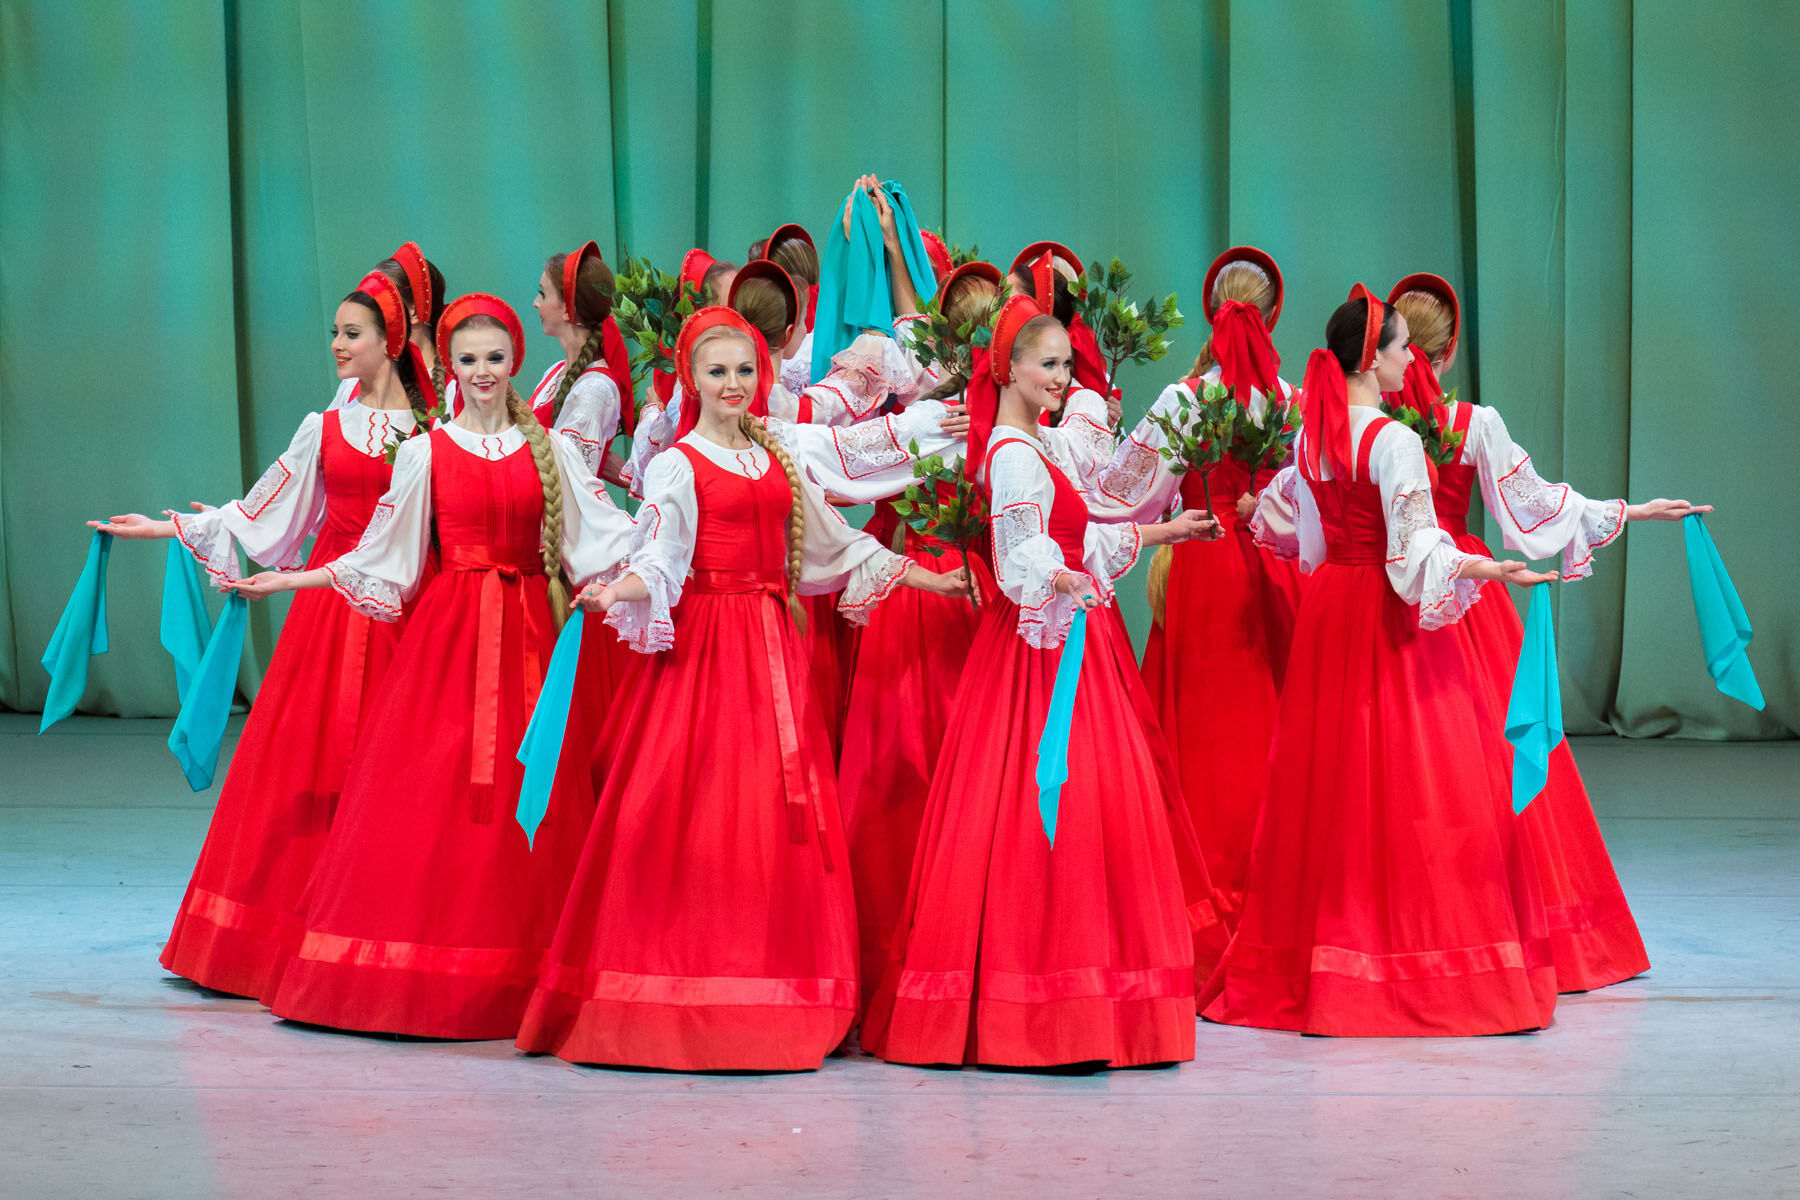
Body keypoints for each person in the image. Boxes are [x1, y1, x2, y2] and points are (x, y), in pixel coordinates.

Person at [515, 307, 966, 1071]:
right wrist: (616, 591)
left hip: (771, 652)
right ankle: (684, 990)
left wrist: (930, 579)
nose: (733, 383)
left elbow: (835, 546)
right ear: (691, 379)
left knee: (775, 814)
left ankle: (780, 991)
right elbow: (661, 557)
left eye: (745, 370)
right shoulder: (678, 465)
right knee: (697, 811)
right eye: (718, 371)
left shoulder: (777, 455)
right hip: (706, 655)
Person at [227, 294, 635, 1038]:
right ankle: (425, 971)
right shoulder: (425, 452)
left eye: (496, 358)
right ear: (449, 365)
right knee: (432, 790)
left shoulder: (551, 451)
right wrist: (290, 581)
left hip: (530, 639)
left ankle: (525, 973)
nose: (483, 372)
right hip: (448, 639)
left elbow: (609, 536)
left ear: (514, 362)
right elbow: (382, 556)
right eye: (469, 359)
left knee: (531, 788)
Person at [862, 294, 1225, 1069]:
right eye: (1048, 364)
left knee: (1083, 801)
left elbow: (1080, 533)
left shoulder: (1044, 444)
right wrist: (1061, 581)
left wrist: (1165, 529)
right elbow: (1019, 553)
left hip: (1068, 635)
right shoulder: (1013, 453)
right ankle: (1036, 997)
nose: (1061, 377)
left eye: (1066, 363)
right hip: (1036, 648)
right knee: (1041, 801)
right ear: (1009, 369)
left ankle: (1082, 992)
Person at [1203, 285, 1562, 1037]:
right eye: (1401, 350)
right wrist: (1489, 569)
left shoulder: (1313, 438)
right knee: (1412, 776)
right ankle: (1414, 956)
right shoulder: (1394, 441)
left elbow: (1303, 542)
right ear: (1373, 359)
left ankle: (1323, 953)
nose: (1410, 363)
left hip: (1331, 610)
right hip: (1384, 614)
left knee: (1332, 778)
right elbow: (1415, 552)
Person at [89, 270, 435, 1002]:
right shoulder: (325, 427)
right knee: (310, 759)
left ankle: (378, 931)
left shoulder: (433, 432)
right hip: (327, 614)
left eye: (351, 334)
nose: (337, 345)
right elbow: (263, 509)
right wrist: (166, 528)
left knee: (398, 766)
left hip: (405, 607)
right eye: (335, 333)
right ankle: (289, 932)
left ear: (390, 342)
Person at [1386, 271, 1707, 992]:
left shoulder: (1372, 425)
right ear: (1448, 352)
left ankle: (1406, 928)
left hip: (1392, 601)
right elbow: (1537, 507)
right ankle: (1502, 922)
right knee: (1490, 765)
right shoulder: (1470, 424)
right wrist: (1635, 510)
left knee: (1405, 765)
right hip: (1468, 596)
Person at [1091, 246, 1302, 918]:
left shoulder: (1185, 399)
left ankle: (1199, 877)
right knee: (1274, 713)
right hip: (1274, 566)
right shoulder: (1290, 401)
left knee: (1208, 723)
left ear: (1211, 313)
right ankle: (1280, 876)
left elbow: (1126, 497)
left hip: (1206, 563)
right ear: (1273, 317)